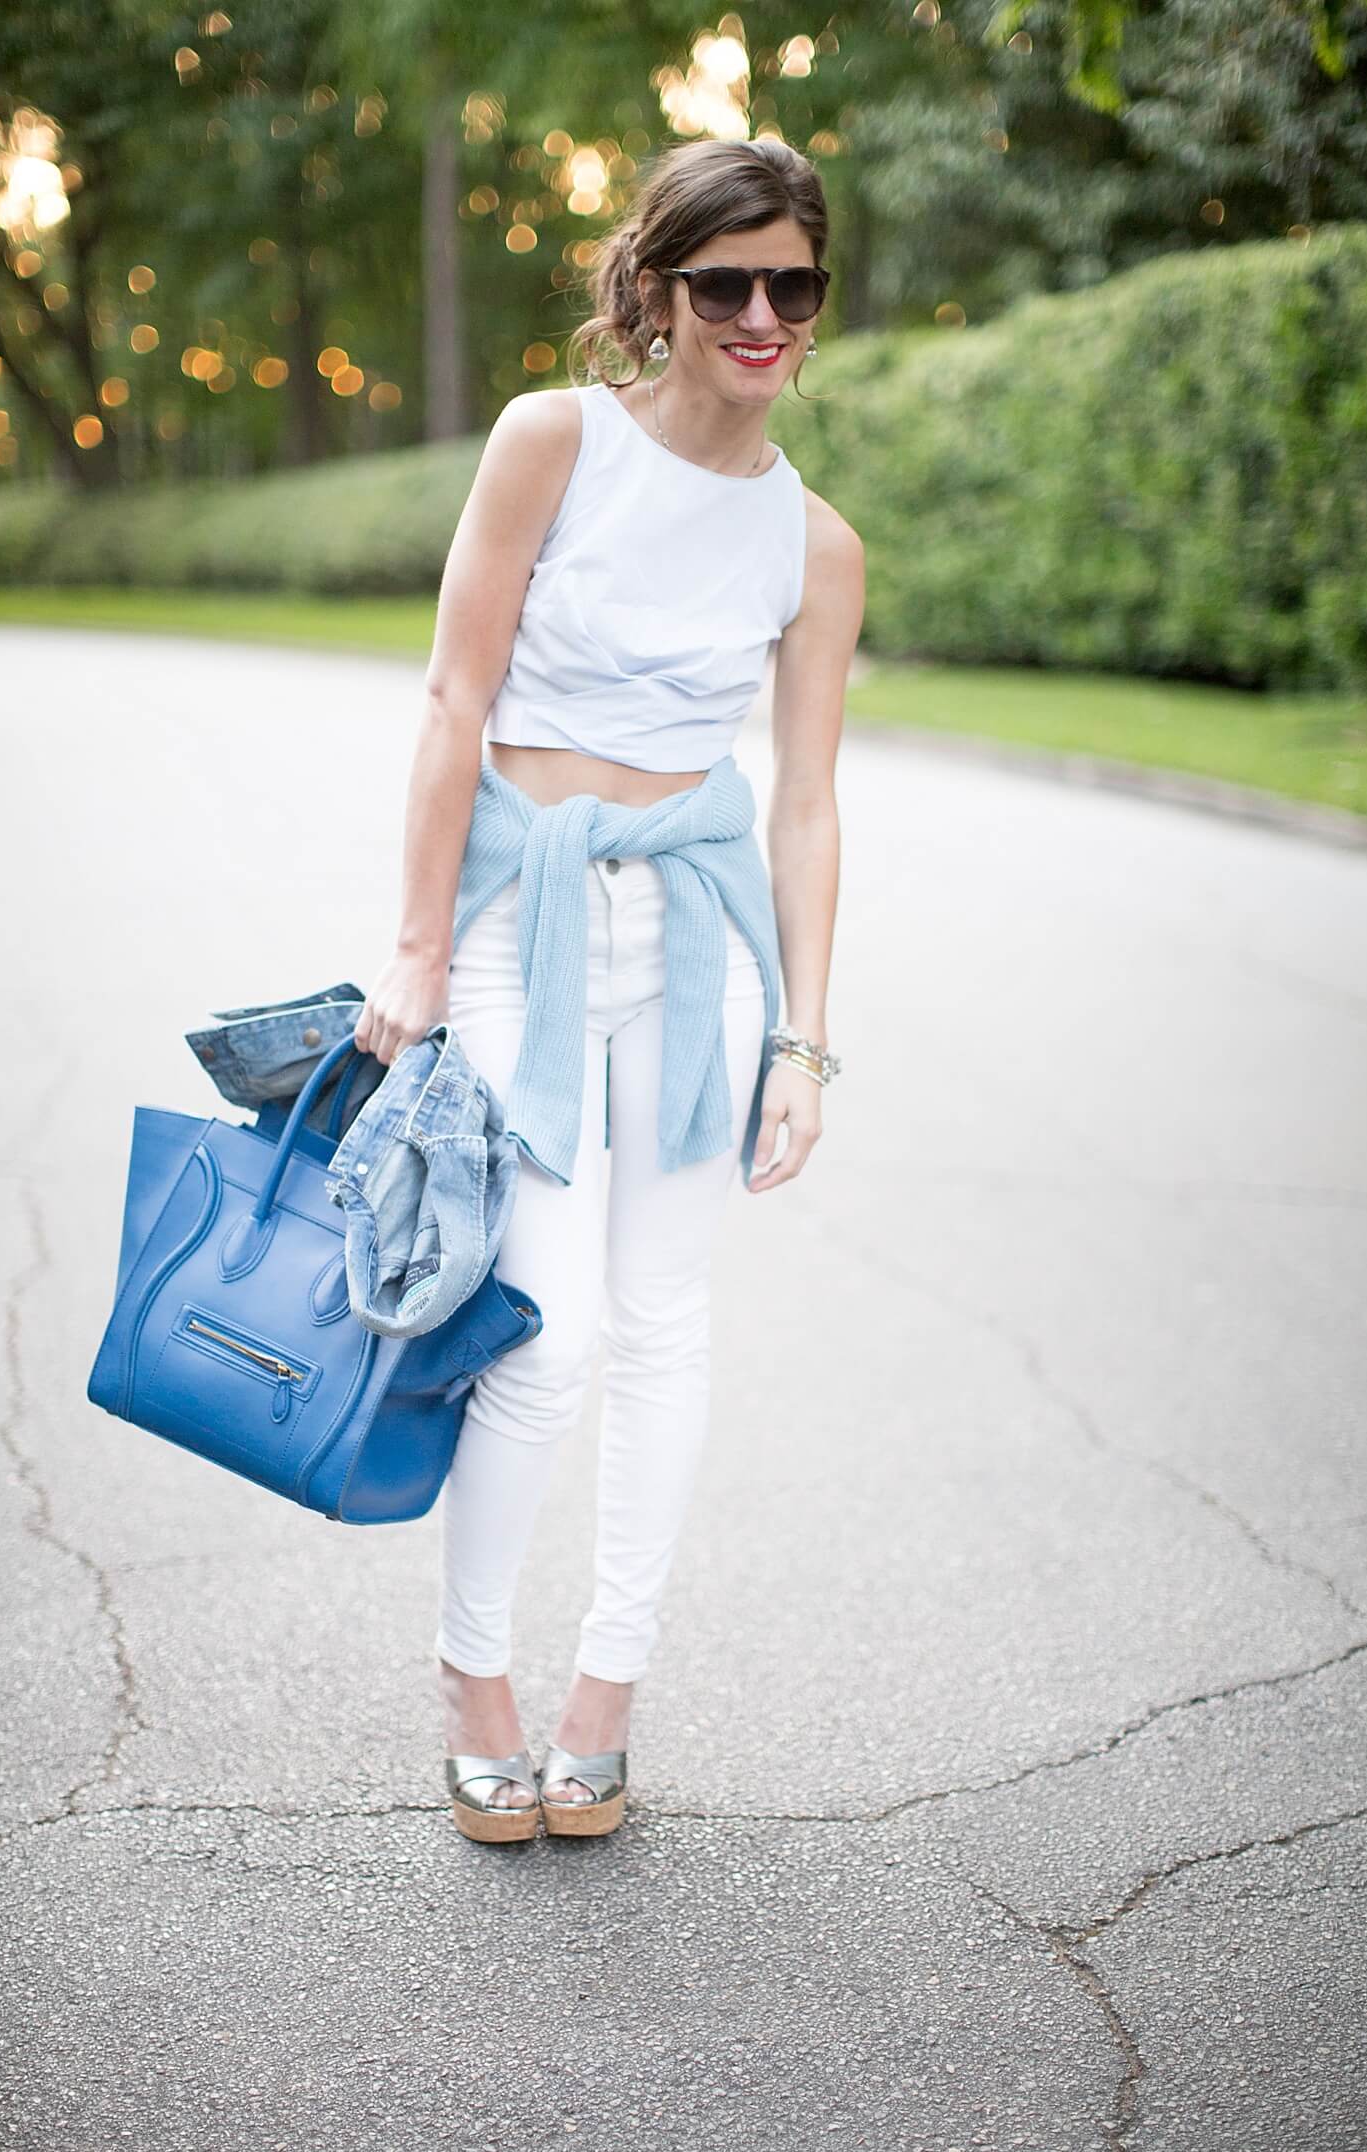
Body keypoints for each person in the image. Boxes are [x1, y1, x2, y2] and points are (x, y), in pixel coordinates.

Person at [353, 135, 864, 1843]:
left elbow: (803, 801)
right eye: (725, 283)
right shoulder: (551, 442)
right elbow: (450, 699)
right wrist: (418, 949)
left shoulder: (816, 542)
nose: (761, 315)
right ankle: (473, 1677)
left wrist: (801, 1036)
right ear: (656, 290)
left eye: (792, 283)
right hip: (521, 921)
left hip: (700, 949)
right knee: (548, 1331)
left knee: (663, 1325)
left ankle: (603, 1700)